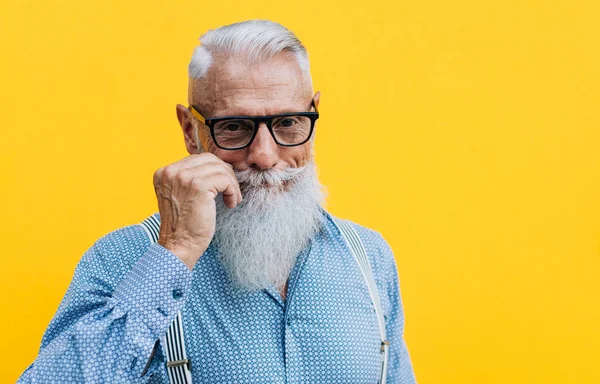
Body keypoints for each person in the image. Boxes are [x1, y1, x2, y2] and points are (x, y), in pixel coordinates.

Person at [17, 19, 416, 383]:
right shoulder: (122, 259)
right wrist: (175, 252)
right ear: (191, 131)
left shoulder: (369, 257)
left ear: (313, 116)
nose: (264, 155)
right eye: (235, 127)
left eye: (288, 123)